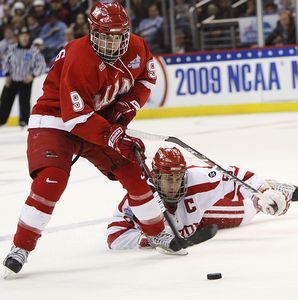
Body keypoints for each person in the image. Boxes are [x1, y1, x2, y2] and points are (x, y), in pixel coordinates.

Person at [3, 0, 183, 276]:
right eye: (104, 38)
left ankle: (157, 233)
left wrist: (125, 109)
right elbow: (75, 118)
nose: (111, 45)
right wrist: (113, 135)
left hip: (98, 121)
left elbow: (146, 78)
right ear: (92, 32)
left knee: (132, 169)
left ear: (126, 32)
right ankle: (21, 247)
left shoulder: (136, 47)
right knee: (52, 179)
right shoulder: (79, 57)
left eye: (117, 38)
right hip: (56, 121)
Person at [107, 147, 298, 250]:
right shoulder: (141, 197)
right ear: (156, 177)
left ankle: (272, 186)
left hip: (196, 214)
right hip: (187, 224)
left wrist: (261, 193)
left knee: (245, 213)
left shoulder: (197, 179)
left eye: (177, 177)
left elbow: (234, 175)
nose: (174, 185)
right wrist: (152, 239)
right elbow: (115, 235)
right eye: (168, 179)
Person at [0, 26, 46, 127]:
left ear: (29, 37)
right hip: (12, 80)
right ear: (19, 37)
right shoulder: (11, 49)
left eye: (26, 36)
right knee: (5, 101)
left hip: (26, 81)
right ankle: (1, 120)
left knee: (24, 102)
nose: (24, 38)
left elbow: (41, 65)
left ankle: (24, 121)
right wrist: (7, 74)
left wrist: (33, 75)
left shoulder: (34, 51)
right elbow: (5, 62)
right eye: (22, 36)